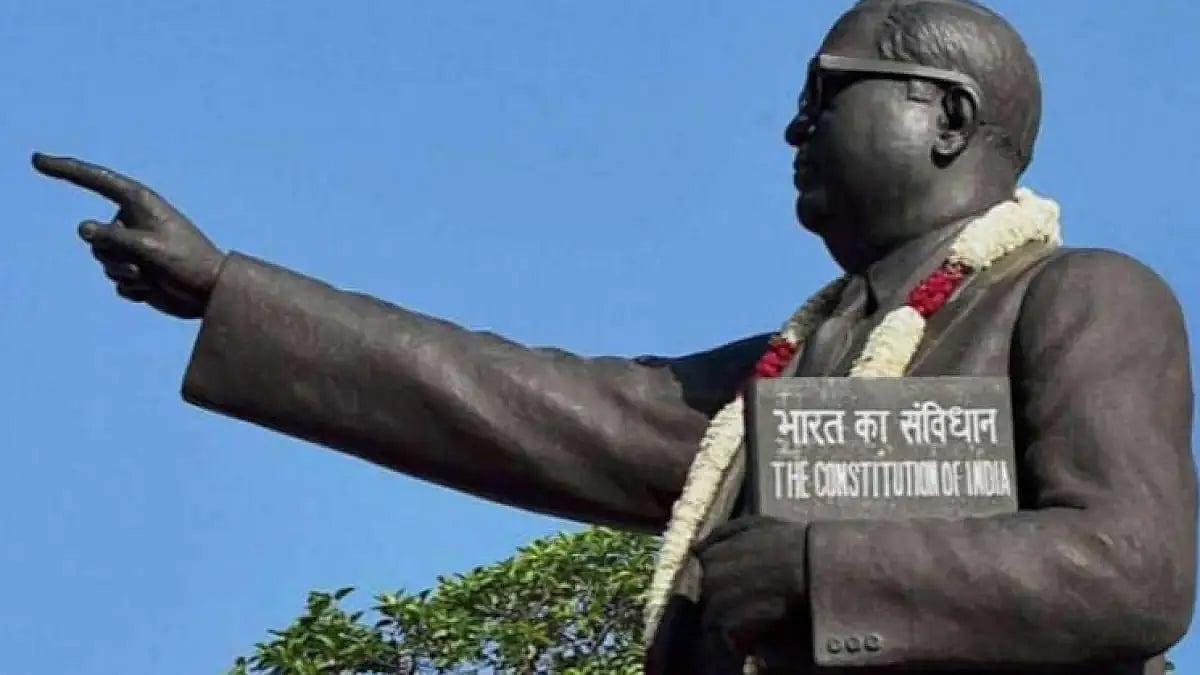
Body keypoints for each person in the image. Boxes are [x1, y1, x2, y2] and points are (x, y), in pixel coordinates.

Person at [34, 0, 1196, 673]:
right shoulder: (790, 369)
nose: (793, 126)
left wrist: (818, 567)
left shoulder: (1082, 297)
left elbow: (1134, 573)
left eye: (828, 92)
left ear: (946, 115)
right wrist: (229, 291)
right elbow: (519, 402)